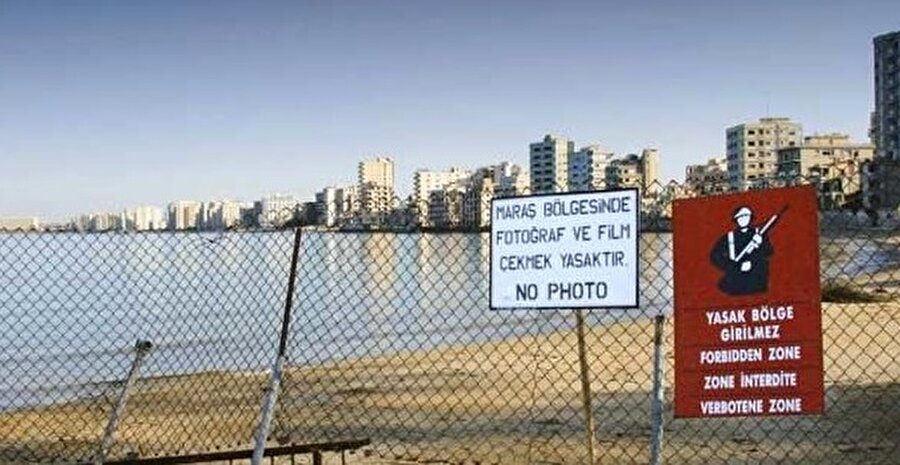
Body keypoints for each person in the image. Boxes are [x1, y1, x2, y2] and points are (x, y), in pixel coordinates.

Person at [710, 206, 773, 295]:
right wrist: (735, 266)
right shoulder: (729, 237)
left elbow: (769, 252)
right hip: (736, 281)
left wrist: (760, 243)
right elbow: (715, 256)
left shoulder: (758, 234)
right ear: (736, 219)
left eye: (746, 216)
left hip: (757, 279)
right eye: (741, 216)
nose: (744, 219)